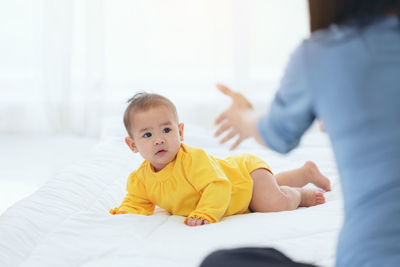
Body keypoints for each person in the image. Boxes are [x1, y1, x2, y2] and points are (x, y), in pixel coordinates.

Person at [208, 0, 400, 266]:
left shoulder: (323, 53)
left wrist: (243, 116)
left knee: (220, 262)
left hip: (371, 257)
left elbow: (278, 134)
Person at [110, 92, 330, 226]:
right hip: (243, 192)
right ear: (132, 145)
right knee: (268, 188)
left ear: (180, 132)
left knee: (272, 201)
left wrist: (205, 213)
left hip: (244, 175)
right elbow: (136, 200)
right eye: (147, 135)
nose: (159, 140)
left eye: (166, 130)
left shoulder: (193, 160)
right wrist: (125, 211)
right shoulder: (140, 179)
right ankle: (305, 173)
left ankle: (300, 195)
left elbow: (218, 186)